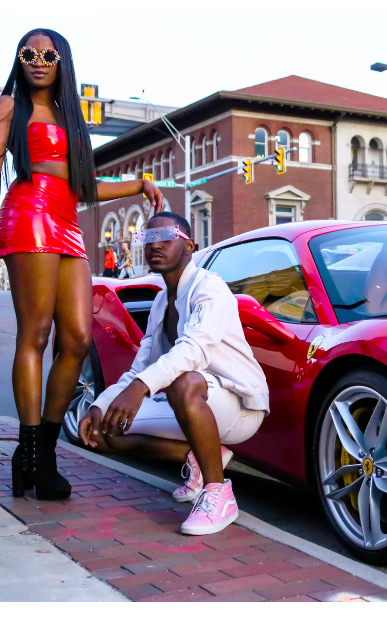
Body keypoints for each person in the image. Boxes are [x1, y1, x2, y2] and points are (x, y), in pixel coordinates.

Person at [0, 28, 164, 501]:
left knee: (75, 339)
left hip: (66, 223)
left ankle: (40, 453)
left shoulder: (70, 114)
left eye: (47, 55)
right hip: (28, 216)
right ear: (20, 59)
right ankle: (34, 454)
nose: (38, 60)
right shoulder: (9, 105)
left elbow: (84, 185)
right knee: (35, 335)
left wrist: (138, 184)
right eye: (29, 53)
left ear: (61, 62)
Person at [78, 212, 269, 535]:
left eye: (166, 237)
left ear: (189, 246)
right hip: (191, 403)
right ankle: (202, 457)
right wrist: (101, 404)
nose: (156, 245)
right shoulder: (160, 302)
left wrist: (141, 388)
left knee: (184, 381)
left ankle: (219, 493)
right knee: (101, 432)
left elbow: (194, 349)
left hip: (238, 405)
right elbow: (140, 367)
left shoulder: (210, 288)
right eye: (148, 238)